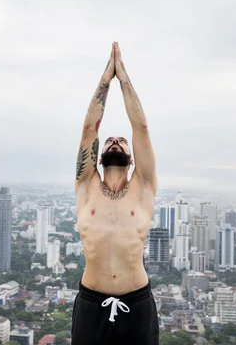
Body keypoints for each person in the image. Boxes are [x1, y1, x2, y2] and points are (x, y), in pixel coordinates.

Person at [72, 42, 159, 344]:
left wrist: (123, 78)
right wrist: (104, 79)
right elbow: (88, 130)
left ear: (132, 157)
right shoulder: (86, 186)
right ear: (98, 156)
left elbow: (142, 127)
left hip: (137, 304)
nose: (115, 142)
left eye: (122, 140)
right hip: (91, 304)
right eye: (110, 140)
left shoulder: (143, 187)